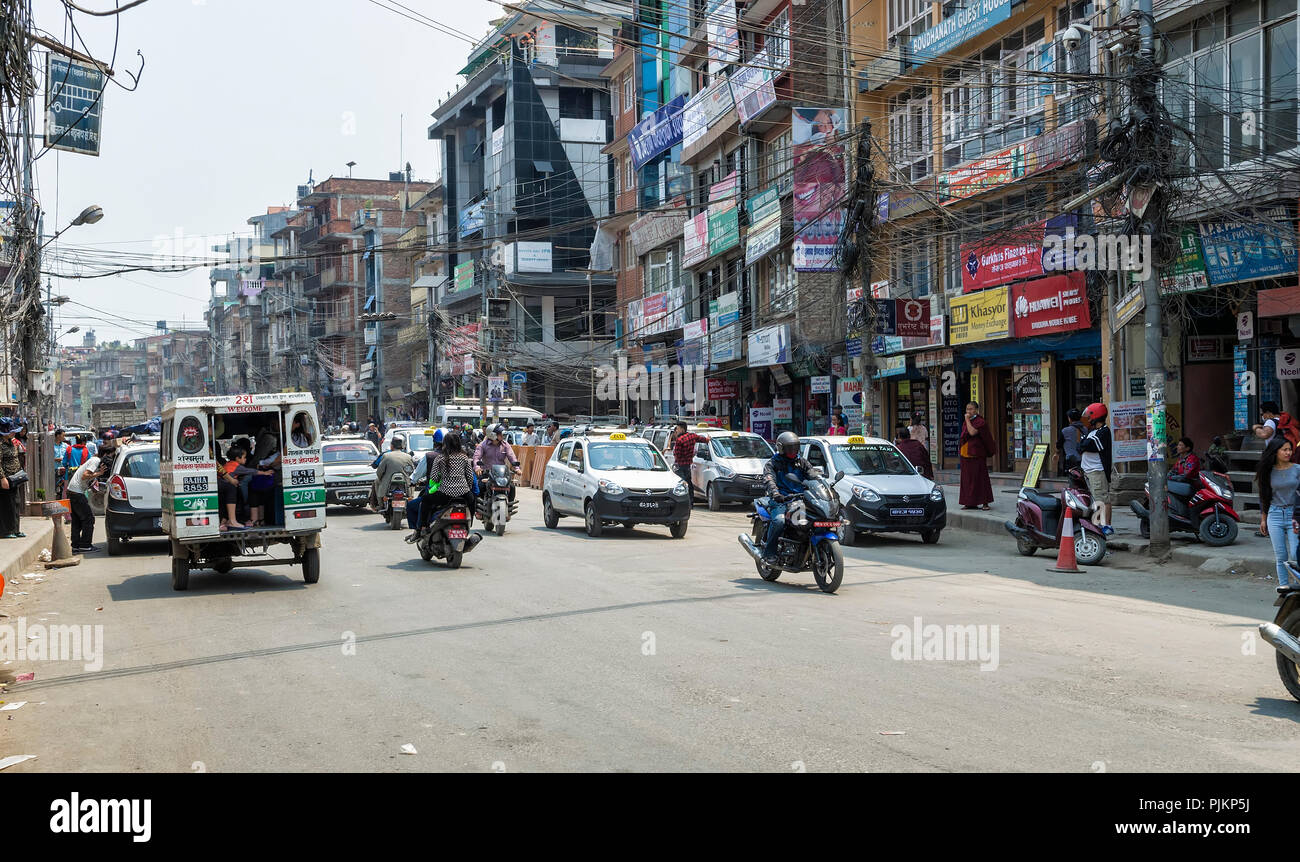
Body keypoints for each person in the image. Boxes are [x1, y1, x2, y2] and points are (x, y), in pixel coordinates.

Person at [760, 431, 815, 565]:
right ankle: (769, 553)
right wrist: (775, 493)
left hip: (800, 500)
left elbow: (813, 475)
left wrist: (822, 484)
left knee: (815, 520)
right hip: (781, 500)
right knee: (779, 521)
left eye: (796, 447)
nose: (794, 451)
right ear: (781, 448)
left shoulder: (801, 462)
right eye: (790, 448)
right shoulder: (772, 463)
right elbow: (769, 479)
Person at [1256, 437, 1300, 592]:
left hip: (1294, 515)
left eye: (1290, 449)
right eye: (1285, 450)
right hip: (1274, 514)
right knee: (1280, 556)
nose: (1288, 452)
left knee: (1296, 554)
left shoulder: (1297, 469)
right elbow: (1264, 496)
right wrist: (1263, 519)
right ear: (1275, 452)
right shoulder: (1267, 471)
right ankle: (1283, 588)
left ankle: (1297, 587)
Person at [417, 430, 476, 534]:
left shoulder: (440, 458)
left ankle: (423, 526)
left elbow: (434, 478)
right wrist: (468, 489)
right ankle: (469, 523)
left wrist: (435, 484)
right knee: (472, 501)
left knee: (425, 500)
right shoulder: (464, 458)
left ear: (445, 444)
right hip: (463, 494)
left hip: (444, 495)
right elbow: (470, 478)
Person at [66, 439, 111, 550]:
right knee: (89, 519)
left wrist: (93, 485)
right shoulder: (95, 460)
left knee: (76, 520)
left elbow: (87, 479)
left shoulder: (95, 461)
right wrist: (99, 473)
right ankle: (85, 545)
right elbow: (85, 475)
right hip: (77, 493)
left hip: (73, 491)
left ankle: (75, 545)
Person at [1078, 402, 1114, 536]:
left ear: (1096, 416)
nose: (1087, 419)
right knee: (1095, 500)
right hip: (1088, 471)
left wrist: (1083, 443)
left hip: (1097, 471)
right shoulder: (1092, 432)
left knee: (1101, 499)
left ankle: (1104, 526)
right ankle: (1097, 524)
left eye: (1089, 416)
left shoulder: (1103, 432)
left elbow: (1087, 445)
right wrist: (1083, 443)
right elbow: (1081, 445)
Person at [957, 401, 995, 510]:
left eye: (971, 409)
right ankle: (969, 502)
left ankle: (985, 502)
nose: (968, 411)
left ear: (976, 410)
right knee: (967, 480)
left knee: (980, 479)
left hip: (976, 454)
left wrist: (967, 420)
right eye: (967, 409)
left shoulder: (980, 421)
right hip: (965, 455)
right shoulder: (967, 422)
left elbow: (972, 432)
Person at [371, 434, 414, 509]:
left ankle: (380, 504)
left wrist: (381, 479)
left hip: (387, 483)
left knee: (377, 481)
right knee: (412, 483)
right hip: (405, 483)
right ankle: (410, 498)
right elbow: (412, 471)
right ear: (403, 445)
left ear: (392, 445)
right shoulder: (408, 456)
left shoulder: (386, 455)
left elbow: (379, 472)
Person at [669, 421, 707, 503]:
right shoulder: (692, 436)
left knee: (680, 484)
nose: (677, 431)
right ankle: (691, 502)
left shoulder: (679, 440)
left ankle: (681, 501)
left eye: (678, 429)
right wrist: (708, 439)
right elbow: (702, 439)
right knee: (689, 484)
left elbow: (677, 454)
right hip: (688, 465)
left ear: (682, 429)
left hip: (680, 466)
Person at [0, 419, 23, 539]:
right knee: (7, 505)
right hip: (5, 478)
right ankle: (6, 530)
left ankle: (15, 529)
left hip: (15, 478)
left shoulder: (11, 443)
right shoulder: (0, 444)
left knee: (16, 503)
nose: (14, 433)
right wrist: (2, 478)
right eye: (12, 431)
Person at [1059, 408, 1086, 475]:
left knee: (1073, 480)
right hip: (1084, 459)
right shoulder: (1085, 429)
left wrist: (1057, 453)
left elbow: (1059, 444)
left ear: (1069, 419)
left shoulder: (1065, 431)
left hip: (1071, 460)